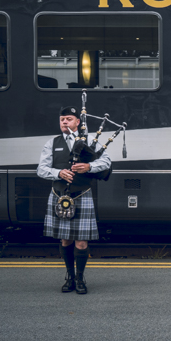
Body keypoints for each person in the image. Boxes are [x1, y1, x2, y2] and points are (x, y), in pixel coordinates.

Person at [37, 106, 111, 295]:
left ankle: (80, 278)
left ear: (78, 122)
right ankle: (69, 277)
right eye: (62, 119)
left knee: (82, 243)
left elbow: (106, 163)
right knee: (65, 240)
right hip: (60, 195)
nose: (64, 122)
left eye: (68, 119)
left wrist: (88, 167)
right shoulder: (52, 143)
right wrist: (58, 172)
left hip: (81, 194)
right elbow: (41, 169)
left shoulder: (90, 142)